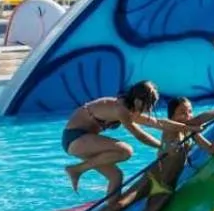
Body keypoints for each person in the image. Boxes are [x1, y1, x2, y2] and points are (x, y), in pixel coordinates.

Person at [66, 96, 214, 211]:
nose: (187, 115)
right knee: (119, 205)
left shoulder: (190, 131)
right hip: (151, 177)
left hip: (166, 187)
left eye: (189, 111)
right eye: (182, 112)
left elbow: (211, 149)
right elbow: (200, 119)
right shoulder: (172, 129)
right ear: (172, 116)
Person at [61, 81, 194, 197]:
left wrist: (188, 128)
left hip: (86, 142)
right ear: (137, 100)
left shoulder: (130, 108)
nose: (148, 109)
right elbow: (139, 135)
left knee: (116, 177)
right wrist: (164, 147)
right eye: (147, 104)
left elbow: (157, 122)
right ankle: (76, 169)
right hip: (74, 138)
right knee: (125, 151)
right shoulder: (121, 109)